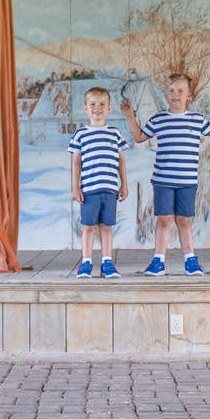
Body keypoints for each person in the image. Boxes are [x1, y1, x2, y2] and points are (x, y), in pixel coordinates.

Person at [120, 72, 210, 276]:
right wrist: (129, 117)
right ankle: (158, 262)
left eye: (180, 91)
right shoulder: (159, 119)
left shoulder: (196, 120)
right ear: (166, 95)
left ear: (189, 96)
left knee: (184, 220)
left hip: (187, 181)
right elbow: (140, 137)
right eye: (171, 91)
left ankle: (190, 261)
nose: (175, 94)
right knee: (164, 220)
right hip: (163, 180)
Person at [68, 86, 129, 279]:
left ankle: (107, 263)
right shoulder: (81, 134)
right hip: (89, 190)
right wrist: (75, 187)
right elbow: (76, 162)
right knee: (88, 226)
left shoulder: (114, 133)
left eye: (102, 104)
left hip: (109, 189)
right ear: (86, 108)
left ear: (109, 108)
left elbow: (121, 161)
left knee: (106, 226)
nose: (97, 108)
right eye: (93, 104)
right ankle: (86, 262)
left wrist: (124, 185)